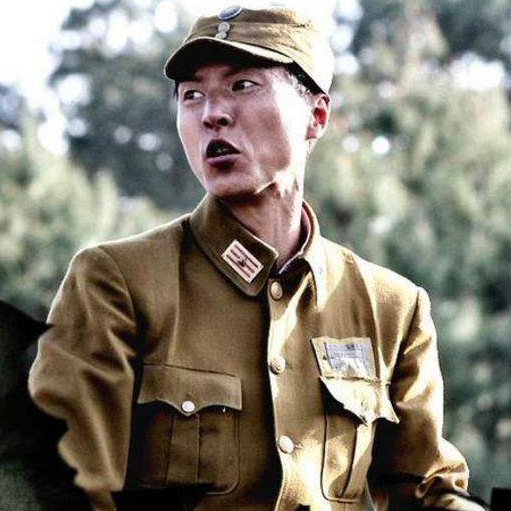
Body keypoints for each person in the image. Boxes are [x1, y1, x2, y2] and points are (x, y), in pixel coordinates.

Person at [29, 6, 483, 511]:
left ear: (316, 116)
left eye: (242, 85)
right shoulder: (117, 283)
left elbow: (427, 490)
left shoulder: (392, 308)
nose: (211, 113)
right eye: (191, 95)